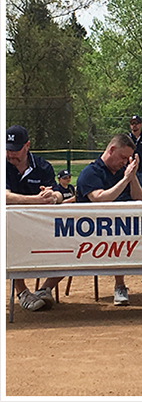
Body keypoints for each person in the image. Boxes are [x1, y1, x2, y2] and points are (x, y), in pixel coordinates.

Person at [77, 134, 142, 305]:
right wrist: (125, 179)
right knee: (118, 235)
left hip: (128, 225)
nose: (123, 162)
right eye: (122, 157)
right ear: (111, 150)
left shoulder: (123, 171)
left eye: (127, 159)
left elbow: (139, 198)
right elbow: (100, 199)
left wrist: (132, 175)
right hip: (95, 231)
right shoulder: (90, 172)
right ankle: (119, 286)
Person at [6, 125, 64, 312]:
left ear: (27, 145)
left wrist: (53, 196)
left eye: (15, 150)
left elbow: (58, 193)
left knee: (69, 245)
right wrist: (35, 200)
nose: (10, 154)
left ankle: (45, 289)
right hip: (9, 226)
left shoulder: (42, 166)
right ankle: (22, 292)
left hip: (40, 226)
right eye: (7, 149)